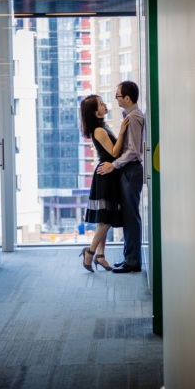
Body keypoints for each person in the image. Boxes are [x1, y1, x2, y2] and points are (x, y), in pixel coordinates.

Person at [96, 81, 146, 273]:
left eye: (117, 96)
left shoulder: (134, 117)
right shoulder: (130, 116)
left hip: (131, 170)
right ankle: (129, 259)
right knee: (128, 216)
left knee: (131, 217)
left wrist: (113, 165)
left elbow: (133, 150)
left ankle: (133, 262)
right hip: (129, 170)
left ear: (127, 98)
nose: (115, 100)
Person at [79, 94, 129, 272]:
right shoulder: (99, 130)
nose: (105, 105)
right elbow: (114, 153)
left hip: (108, 173)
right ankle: (90, 252)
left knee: (104, 217)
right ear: (95, 112)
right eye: (101, 104)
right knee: (106, 220)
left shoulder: (102, 126)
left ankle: (100, 256)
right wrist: (122, 131)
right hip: (106, 175)